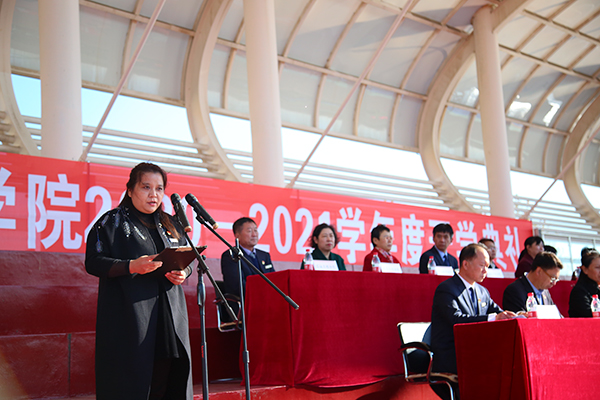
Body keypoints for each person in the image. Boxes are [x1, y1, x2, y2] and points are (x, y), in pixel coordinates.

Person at [85, 162, 193, 400]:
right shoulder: (111, 222)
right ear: (130, 189)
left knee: (168, 377)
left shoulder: (171, 224)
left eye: (159, 188)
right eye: (146, 187)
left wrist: (184, 273)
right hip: (131, 319)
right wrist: (131, 266)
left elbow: (188, 257)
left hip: (168, 317)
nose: (154, 194)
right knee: (135, 380)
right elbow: (93, 262)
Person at [430, 243, 515, 400]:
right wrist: (493, 318)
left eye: (487, 266)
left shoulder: (482, 291)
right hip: (452, 354)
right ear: (465, 264)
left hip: (475, 351)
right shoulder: (446, 289)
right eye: (482, 265)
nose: (485, 271)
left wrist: (516, 315)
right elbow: (456, 319)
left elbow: (498, 312)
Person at [220, 217, 274, 298]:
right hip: (248, 299)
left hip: (268, 297)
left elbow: (274, 279)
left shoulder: (264, 255)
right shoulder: (231, 255)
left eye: (255, 230)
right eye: (249, 231)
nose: (254, 235)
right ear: (237, 235)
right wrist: (261, 294)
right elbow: (236, 286)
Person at [569, 250, 600, 317]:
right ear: (585, 269)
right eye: (597, 267)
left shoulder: (597, 289)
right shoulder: (579, 291)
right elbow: (589, 315)